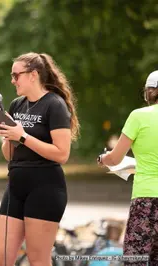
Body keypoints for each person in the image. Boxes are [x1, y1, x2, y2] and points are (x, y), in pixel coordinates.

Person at [0, 52, 80, 266]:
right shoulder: (16, 105)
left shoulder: (55, 104)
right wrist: (8, 138)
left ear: (33, 75)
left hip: (45, 188)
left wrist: (22, 136)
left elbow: (62, 154)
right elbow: (9, 155)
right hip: (15, 186)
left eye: (16, 75)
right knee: (1, 259)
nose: (12, 80)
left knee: (38, 260)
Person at [97, 70, 158, 266]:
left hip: (146, 201)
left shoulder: (138, 116)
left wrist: (103, 158)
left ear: (149, 92)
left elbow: (115, 158)